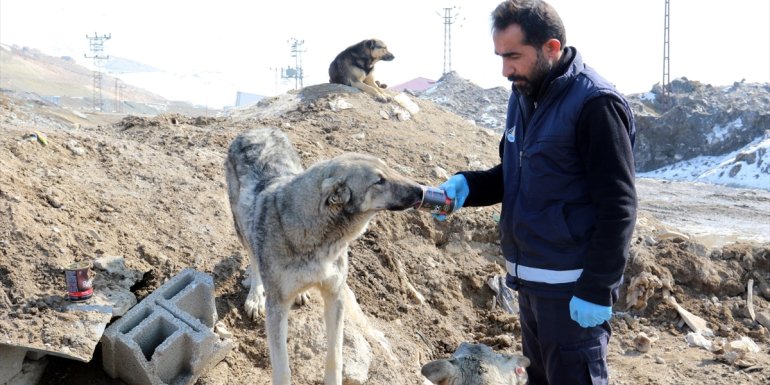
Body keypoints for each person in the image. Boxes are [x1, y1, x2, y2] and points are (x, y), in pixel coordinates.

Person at [436, 1, 637, 384]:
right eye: (500, 56)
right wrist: (467, 185)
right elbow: (513, 175)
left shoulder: (596, 104)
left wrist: (596, 288)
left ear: (551, 48)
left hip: (572, 295)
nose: (505, 69)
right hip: (530, 289)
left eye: (514, 56)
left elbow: (620, 206)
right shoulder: (524, 96)